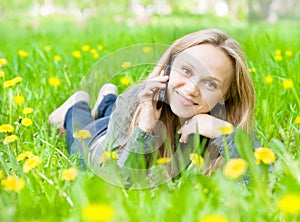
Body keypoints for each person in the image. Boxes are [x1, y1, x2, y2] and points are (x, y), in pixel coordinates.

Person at [49, 29, 259, 188]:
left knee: (117, 112)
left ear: (226, 95)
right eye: (186, 70)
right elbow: (122, 184)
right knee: (79, 124)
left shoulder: (230, 121)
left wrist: (221, 132)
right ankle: (77, 104)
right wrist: (144, 128)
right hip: (100, 144)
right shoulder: (135, 101)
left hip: (122, 121)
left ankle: (107, 100)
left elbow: (257, 185)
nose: (191, 89)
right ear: (169, 65)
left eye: (211, 84)